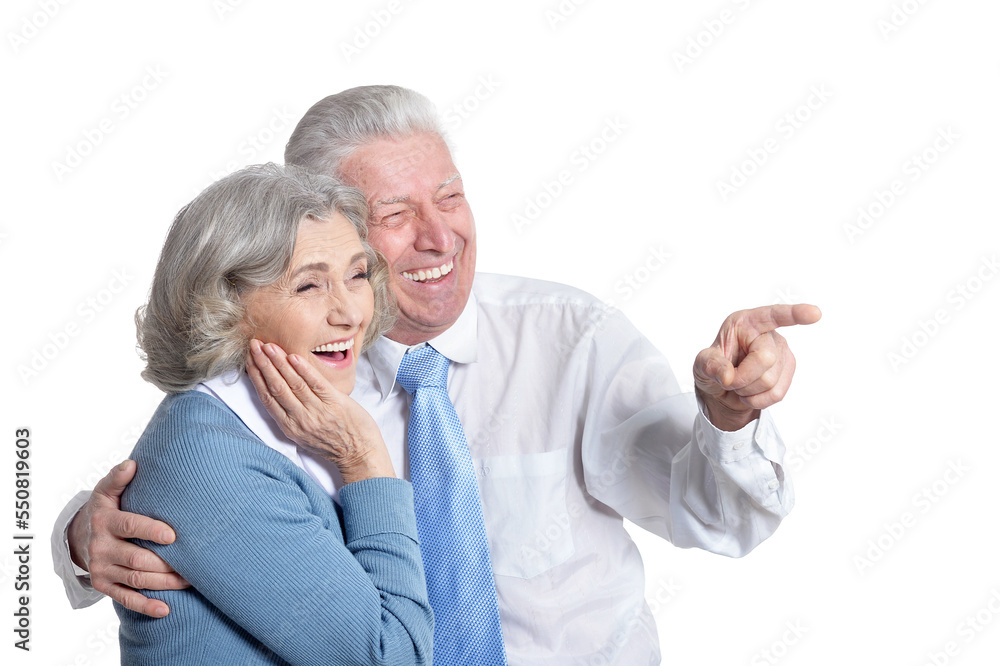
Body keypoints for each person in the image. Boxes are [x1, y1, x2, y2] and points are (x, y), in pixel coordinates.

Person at [53, 86, 821, 665]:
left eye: (450, 196)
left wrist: (728, 422)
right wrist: (84, 538)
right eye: (393, 214)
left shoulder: (570, 338)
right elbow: (209, 485)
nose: (438, 234)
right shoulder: (290, 380)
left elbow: (728, 522)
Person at [107, 163, 432, 664]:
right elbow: (392, 658)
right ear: (223, 304)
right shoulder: (208, 456)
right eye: (309, 286)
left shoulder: (312, 410)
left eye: (357, 275)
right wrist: (366, 460)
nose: (350, 312)